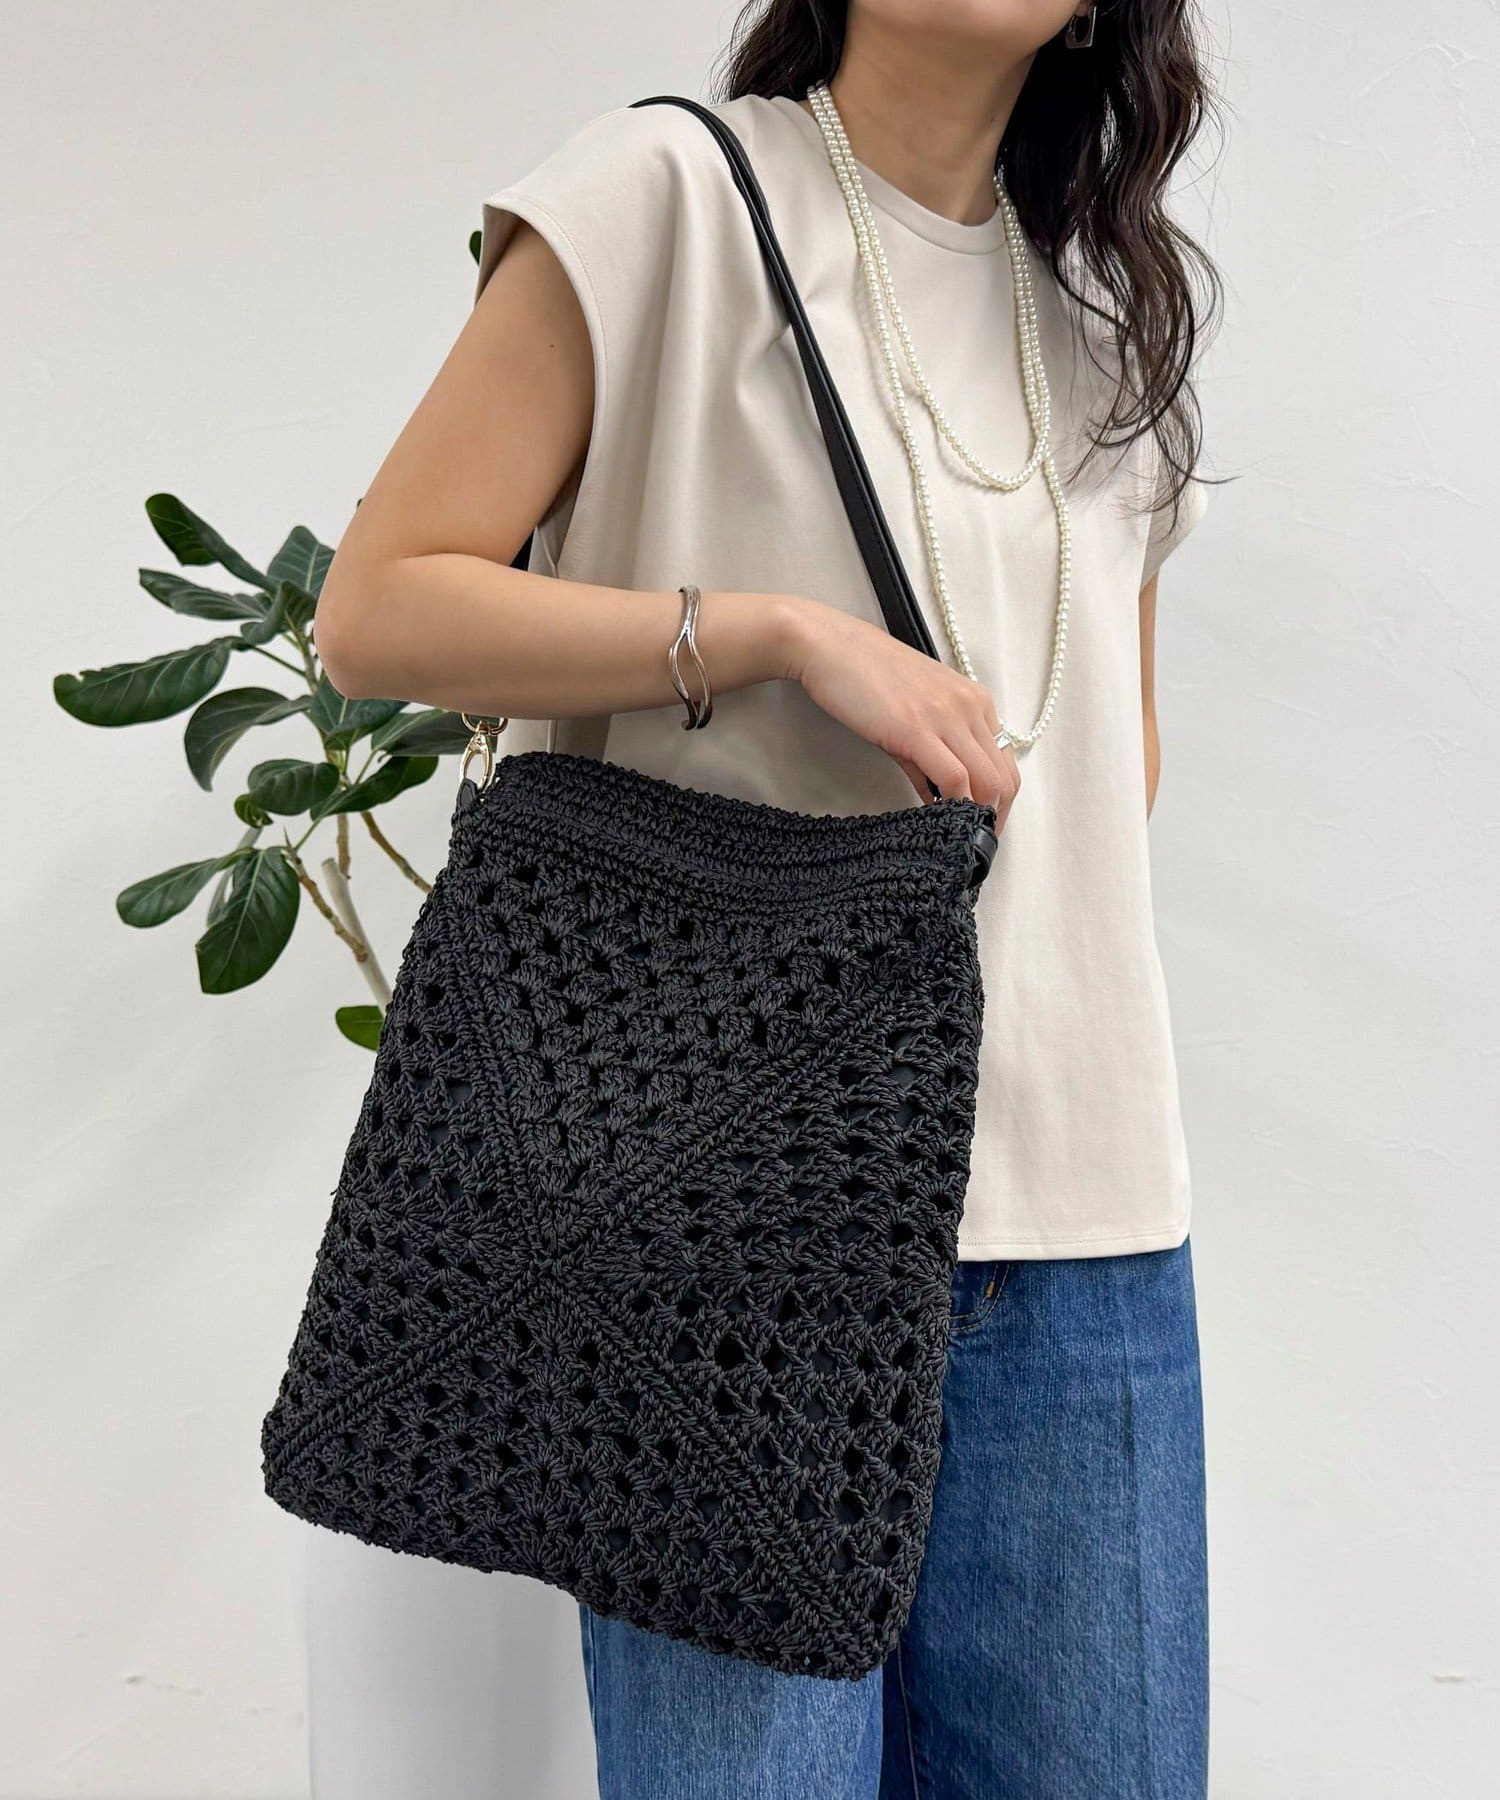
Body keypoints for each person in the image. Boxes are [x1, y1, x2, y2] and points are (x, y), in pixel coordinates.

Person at [313, 1, 1222, 1792]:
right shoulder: (668, 194)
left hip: (1089, 1234)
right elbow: (380, 607)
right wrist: (776, 635)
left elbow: (1108, 776)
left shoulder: (1104, 321)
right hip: (736, 1233)